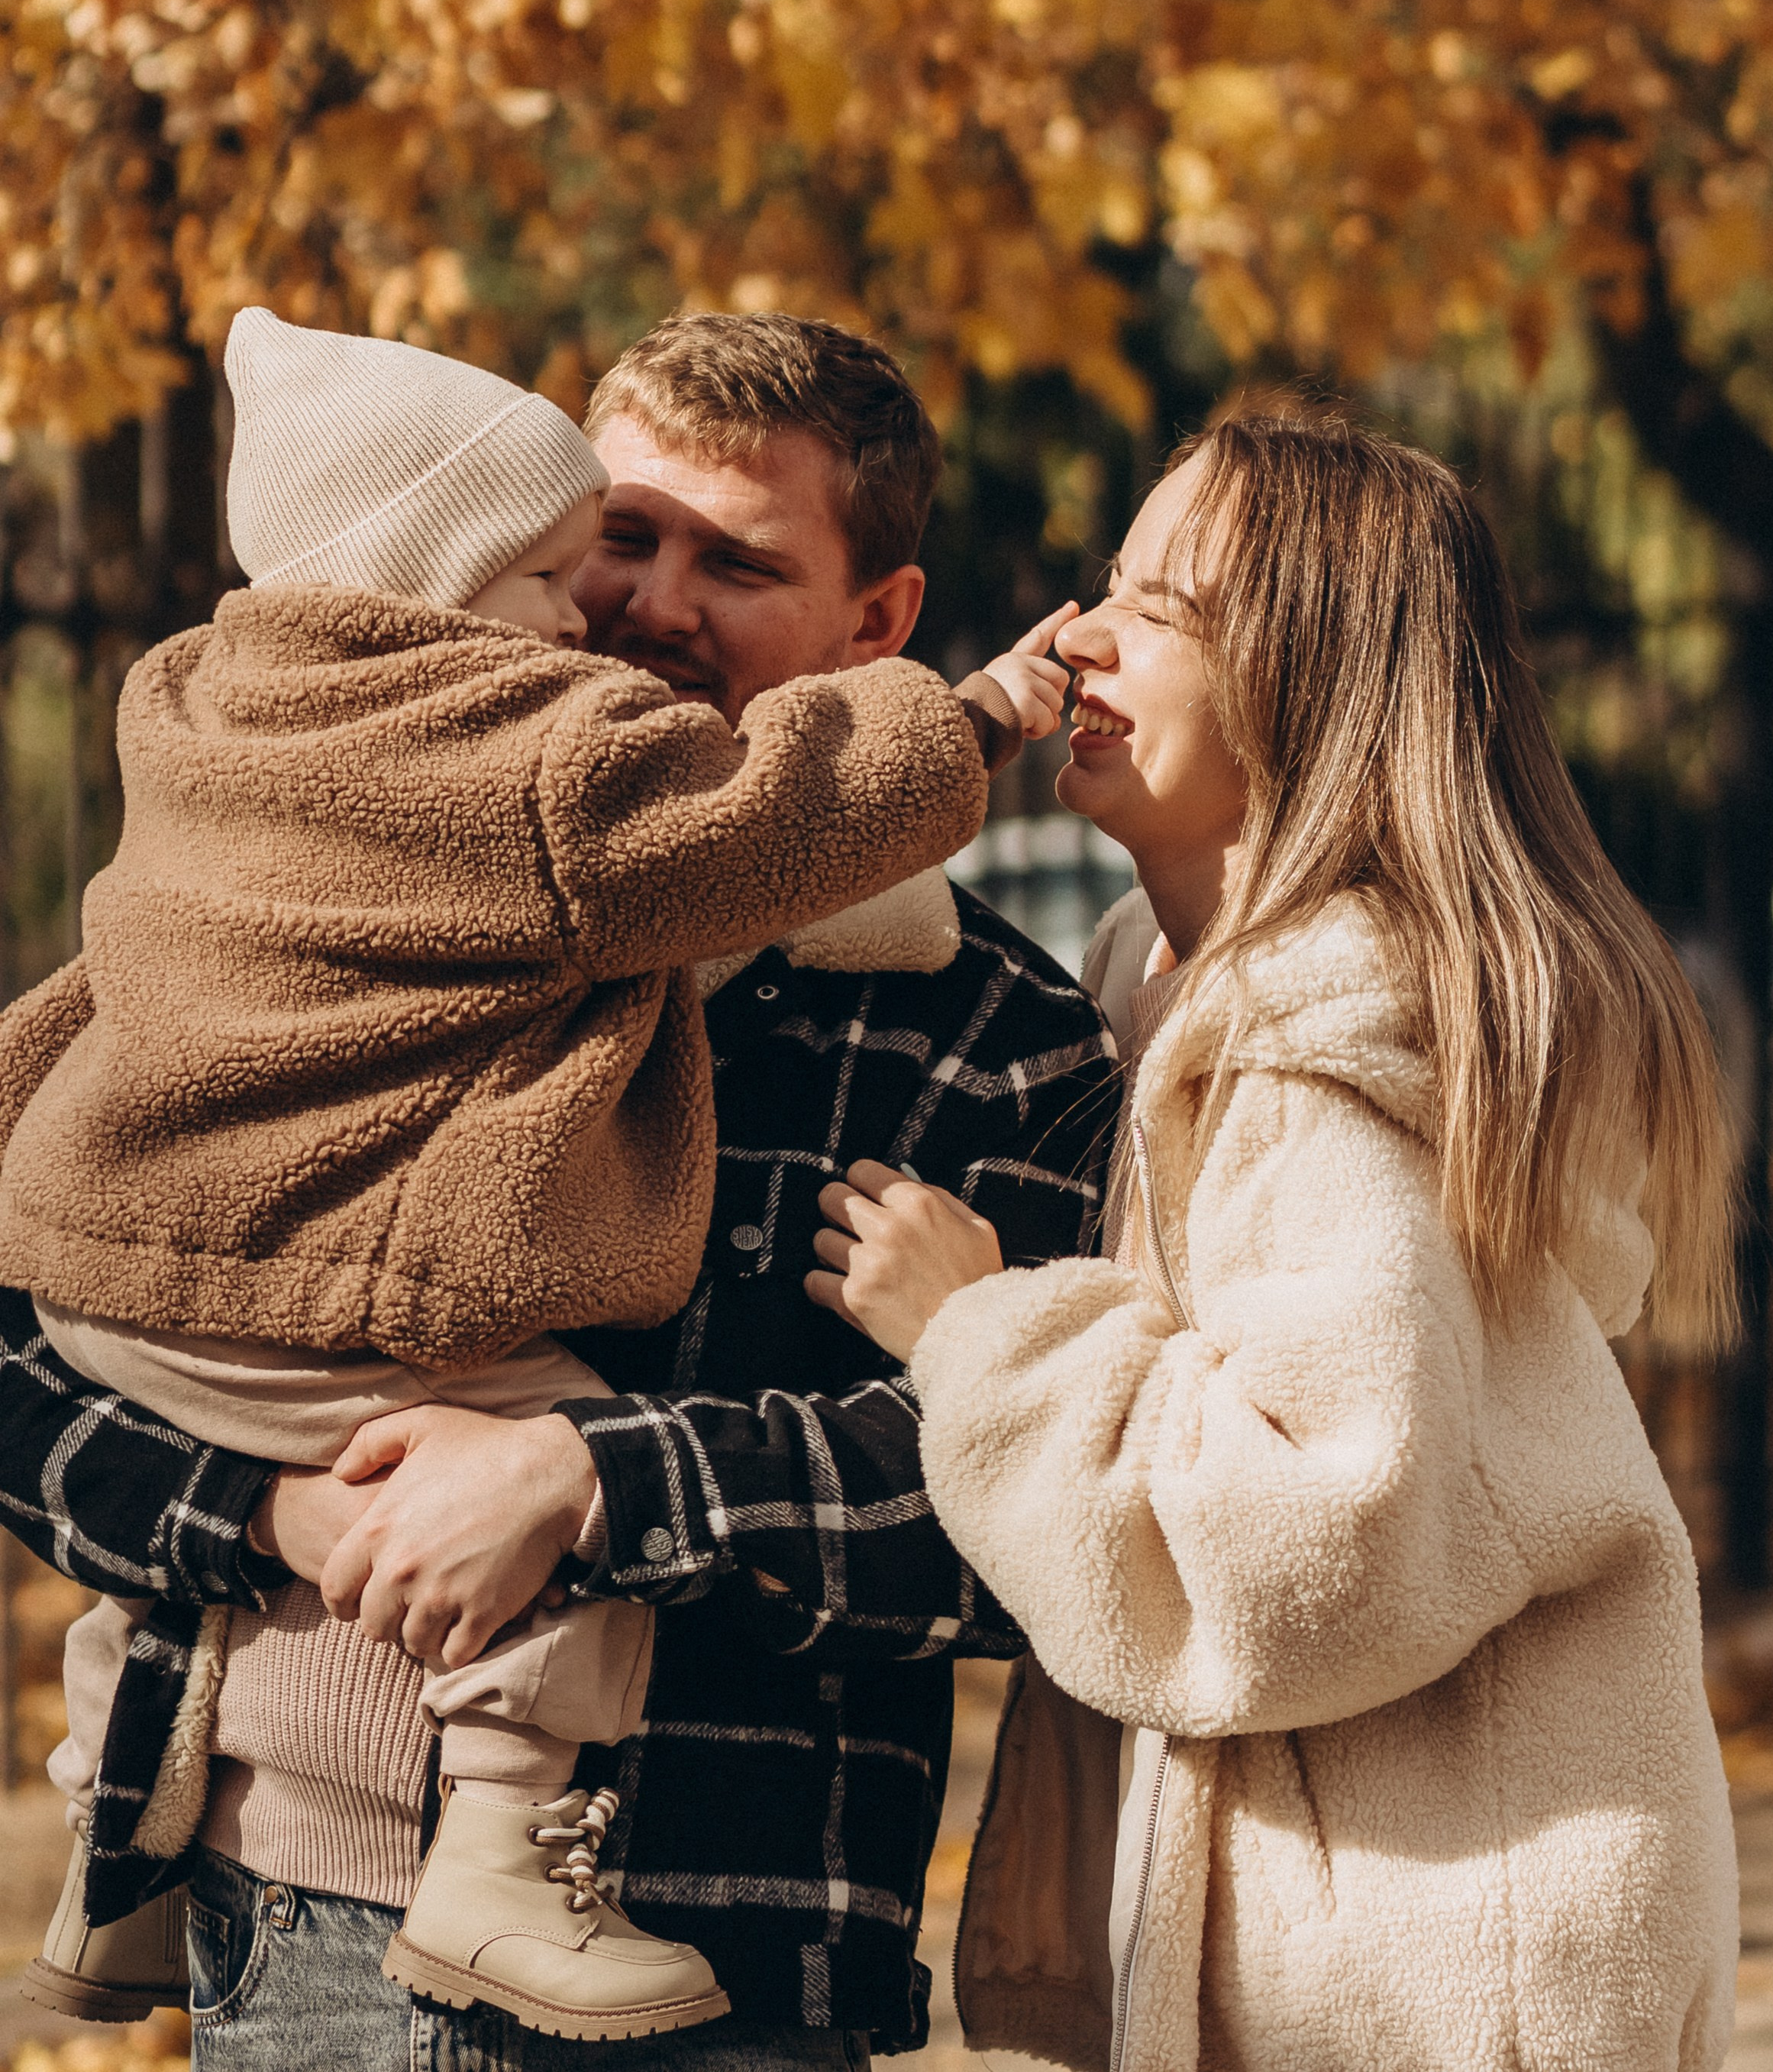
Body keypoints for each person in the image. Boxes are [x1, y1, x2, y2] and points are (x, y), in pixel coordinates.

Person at [0, 310, 1116, 2072]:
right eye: (616, 537)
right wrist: (270, 1515)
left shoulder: (989, 1038)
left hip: (726, 1953)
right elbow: (52, 1333)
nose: (644, 603)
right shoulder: (341, 892)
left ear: (877, 628)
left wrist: (582, 1480)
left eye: (735, 563)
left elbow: (1019, 1522)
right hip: (294, 1933)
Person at [811, 408, 1742, 2072]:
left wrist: (979, 1337)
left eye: (1165, 608)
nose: (1084, 631)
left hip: (1443, 1964)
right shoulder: (1155, 990)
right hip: (1396, 1935)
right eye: (1110, 580)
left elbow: (1320, 1536)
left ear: (1312, 685)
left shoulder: (1328, 1053)